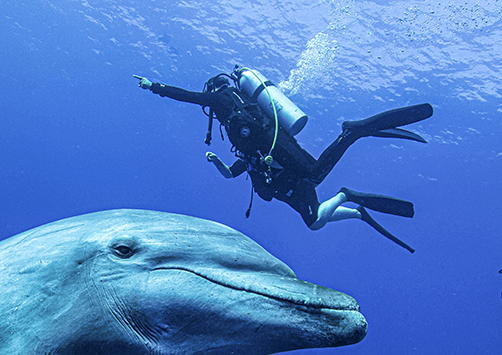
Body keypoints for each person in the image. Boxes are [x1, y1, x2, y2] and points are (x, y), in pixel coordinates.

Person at [134, 67, 433, 252]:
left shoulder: (222, 99)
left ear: (213, 90)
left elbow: (189, 97)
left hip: (277, 147)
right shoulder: (244, 145)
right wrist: (215, 161)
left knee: (316, 173)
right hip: (279, 164)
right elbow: (231, 173)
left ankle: (350, 138)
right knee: (315, 220)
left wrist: (155, 87)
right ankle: (357, 212)